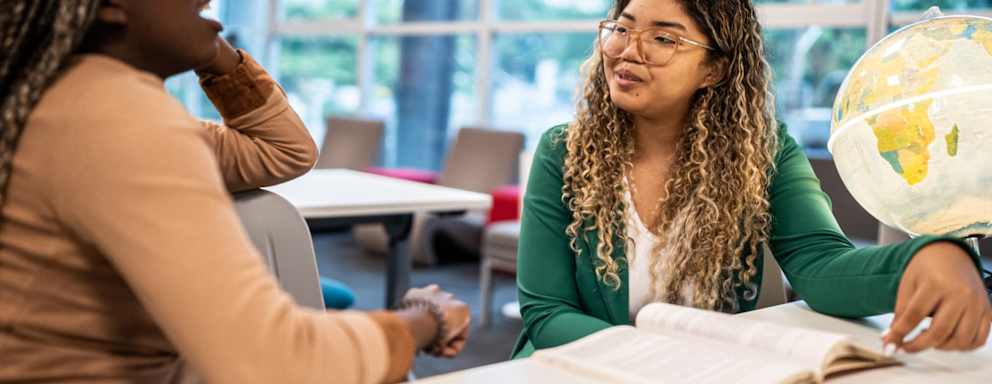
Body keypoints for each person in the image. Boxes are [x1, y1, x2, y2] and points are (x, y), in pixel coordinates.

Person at [0, 1, 469, 383]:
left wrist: (216, 57)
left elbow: (286, 150)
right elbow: (275, 362)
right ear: (108, 7)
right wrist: (425, 318)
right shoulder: (117, 118)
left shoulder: (47, 101)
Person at [514, 0, 990, 359]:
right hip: (582, 369)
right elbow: (547, 314)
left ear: (715, 70)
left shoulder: (764, 150)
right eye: (622, 27)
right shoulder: (564, 150)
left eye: (663, 38)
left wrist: (929, 256)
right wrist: (664, 361)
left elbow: (820, 266)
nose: (627, 51)